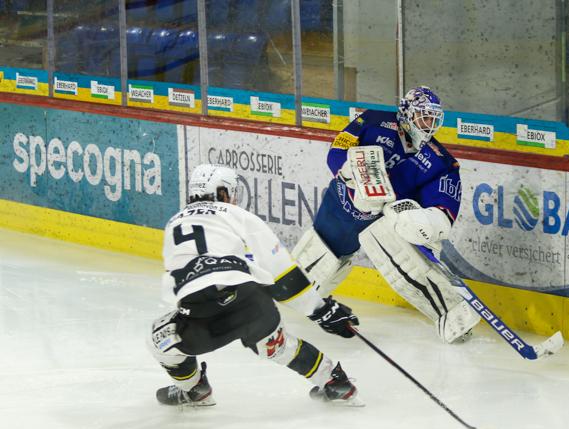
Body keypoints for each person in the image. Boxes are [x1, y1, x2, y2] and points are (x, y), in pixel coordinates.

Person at [147, 164, 362, 407]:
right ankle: (334, 381)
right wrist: (321, 311)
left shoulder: (173, 223)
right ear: (223, 192)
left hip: (201, 311)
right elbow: (281, 271)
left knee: (159, 339)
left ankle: (194, 390)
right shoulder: (238, 215)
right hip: (248, 299)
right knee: (274, 345)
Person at [292, 86, 480, 344]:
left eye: (433, 119)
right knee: (319, 254)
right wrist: (347, 172)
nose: (429, 125)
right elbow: (338, 149)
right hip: (345, 203)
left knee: (405, 262)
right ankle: (297, 292)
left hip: (386, 219)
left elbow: (443, 206)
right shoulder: (371, 121)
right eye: (424, 117)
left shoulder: (440, 162)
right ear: (406, 112)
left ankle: (453, 314)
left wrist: (426, 223)